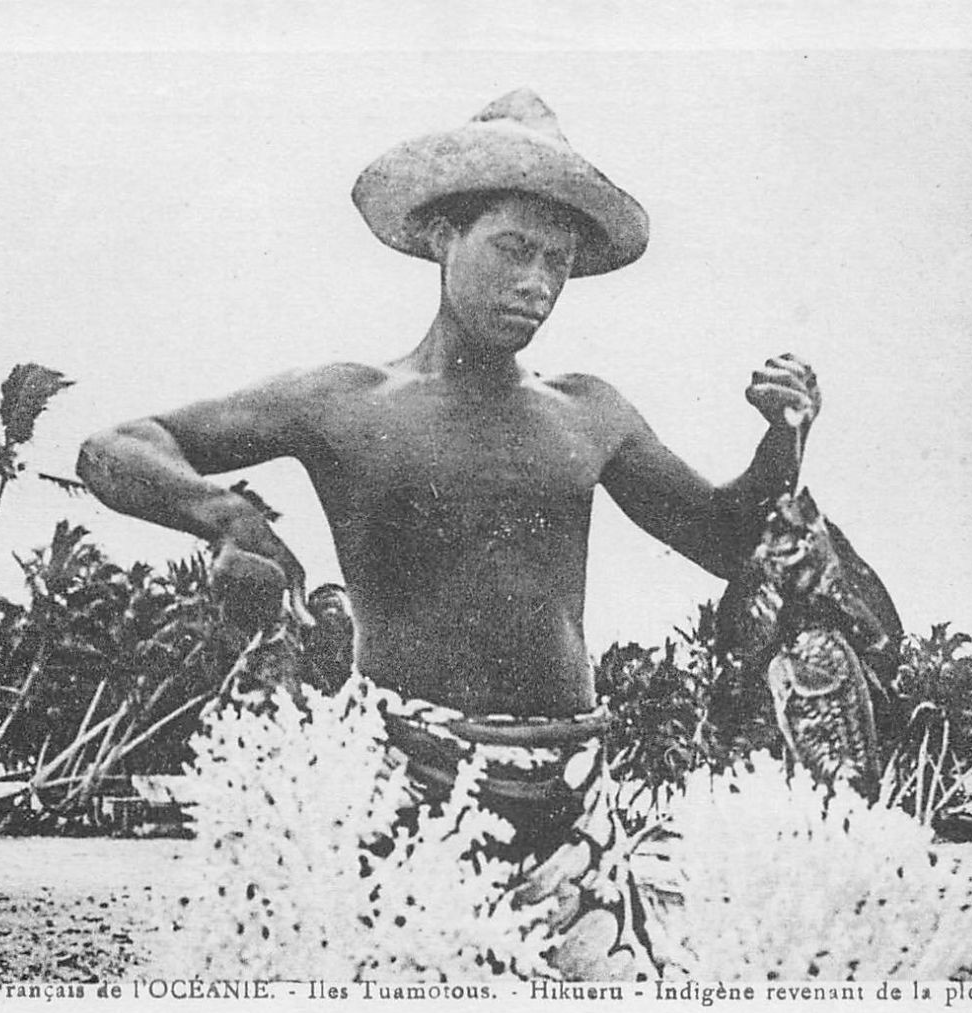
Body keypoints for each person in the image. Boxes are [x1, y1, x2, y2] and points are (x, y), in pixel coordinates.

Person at [77, 89, 820, 862]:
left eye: (556, 262)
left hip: (568, 785)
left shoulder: (590, 412)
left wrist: (783, 438)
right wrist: (223, 515)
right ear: (442, 236)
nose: (535, 282)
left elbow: (733, 548)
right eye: (511, 248)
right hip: (401, 776)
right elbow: (116, 446)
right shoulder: (346, 401)